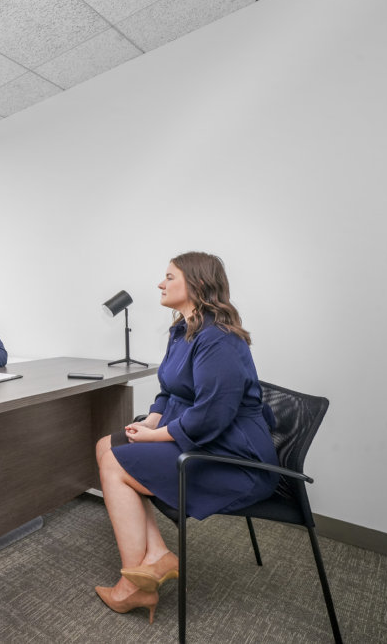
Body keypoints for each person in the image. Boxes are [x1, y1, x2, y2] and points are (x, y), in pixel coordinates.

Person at [93, 252, 279, 623]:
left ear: (197, 284)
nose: (160, 284)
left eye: (169, 277)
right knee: (106, 445)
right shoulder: (183, 330)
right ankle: (156, 555)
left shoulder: (219, 339)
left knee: (115, 463)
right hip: (202, 439)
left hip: (235, 459)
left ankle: (134, 585)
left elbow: (212, 415)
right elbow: (170, 389)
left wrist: (154, 437)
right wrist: (152, 421)